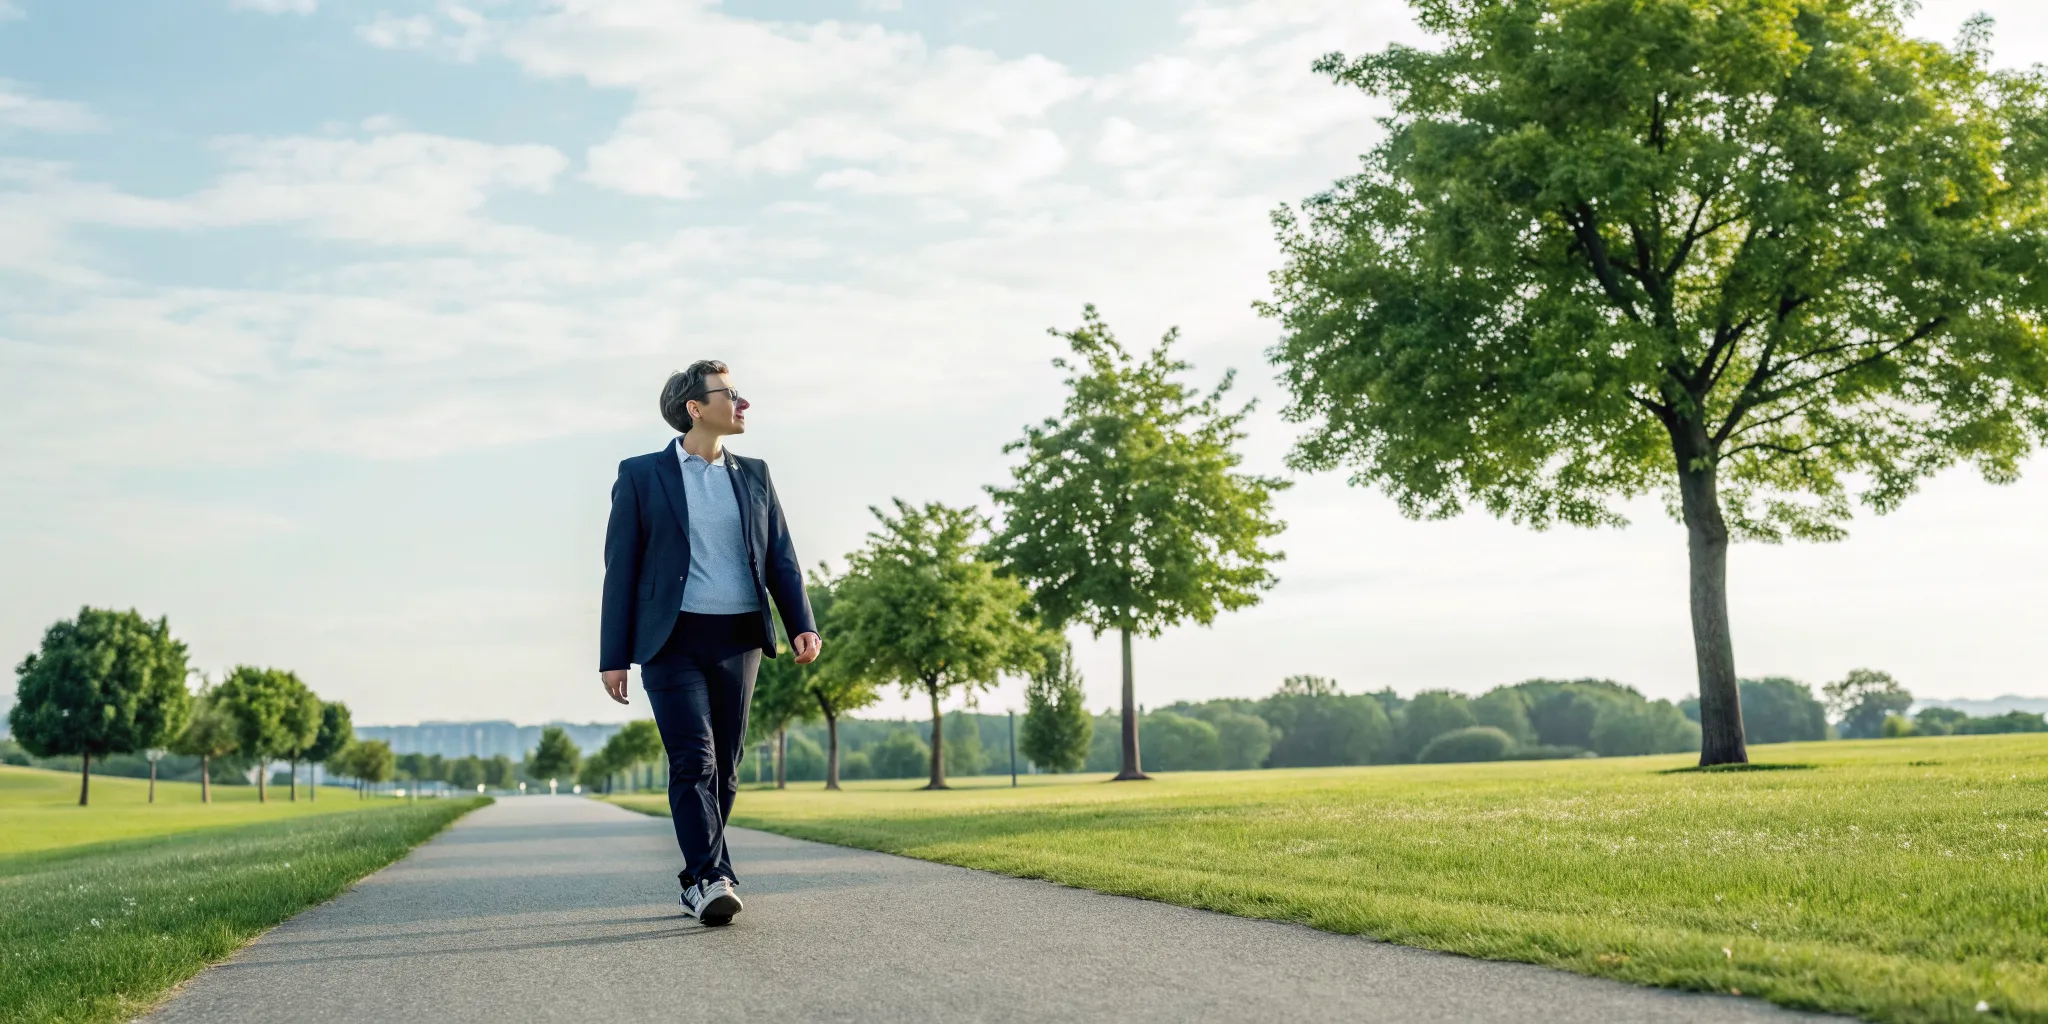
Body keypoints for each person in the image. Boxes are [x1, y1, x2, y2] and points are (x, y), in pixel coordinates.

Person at [599, 360, 821, 925]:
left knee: (725, 764)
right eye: (730, 394)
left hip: (737, 638)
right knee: (693, 761)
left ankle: (698, 878)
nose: (742, 404)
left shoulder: (755, 474)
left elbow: (780, 555)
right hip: (669, 639)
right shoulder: (642, 474)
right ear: (695, 408)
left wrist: (802, 621)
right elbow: (621, 569)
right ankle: (710, 877)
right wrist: (613, 656)